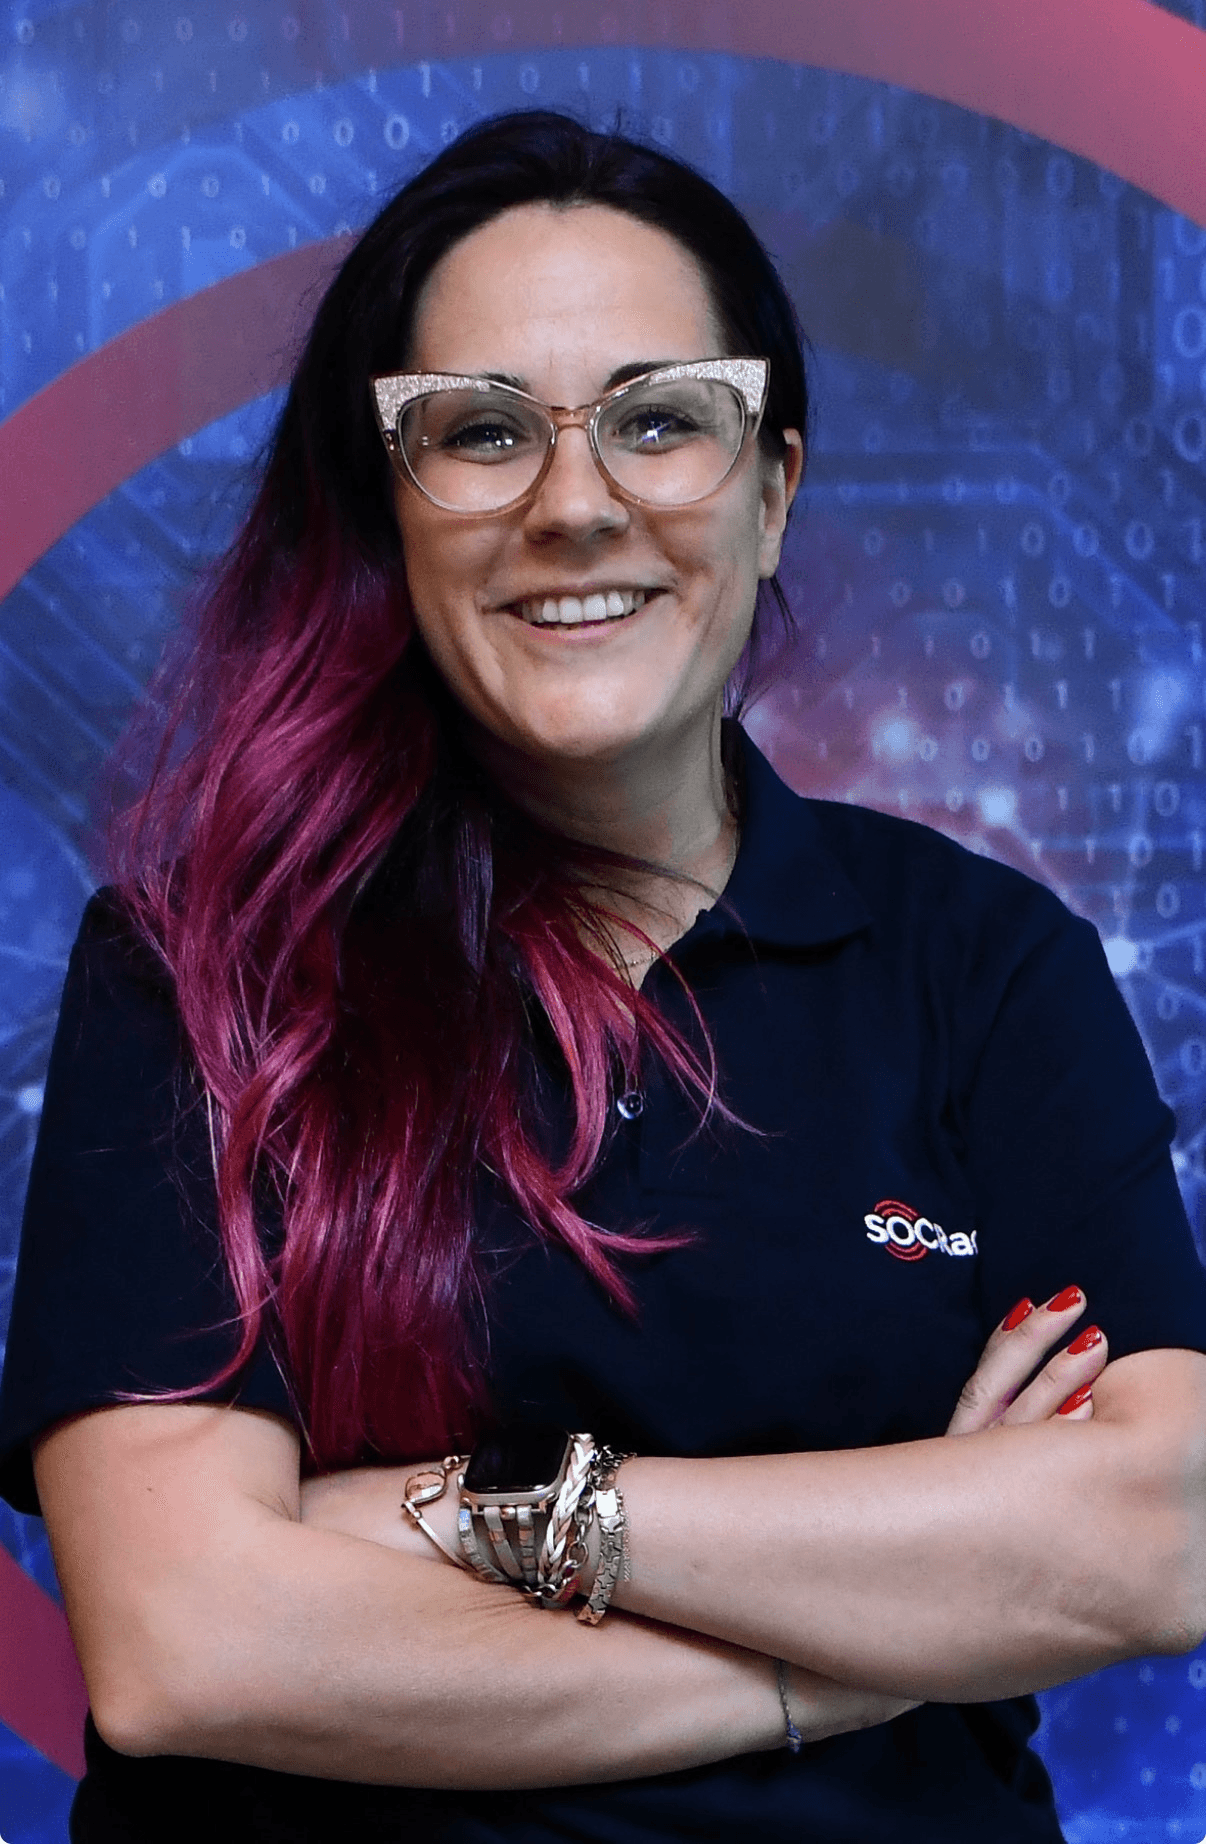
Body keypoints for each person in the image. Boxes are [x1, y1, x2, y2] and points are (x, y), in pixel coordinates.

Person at [1, 109, 1205, 1844]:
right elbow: (193, 1642)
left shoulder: (986, 966)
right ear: (385, 509)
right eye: (480, 433)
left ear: (774, 490)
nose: (576, 504)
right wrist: (865, 1639)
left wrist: (488, 1513)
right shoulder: (202, 972)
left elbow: (1150, 1537)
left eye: (660, 421)